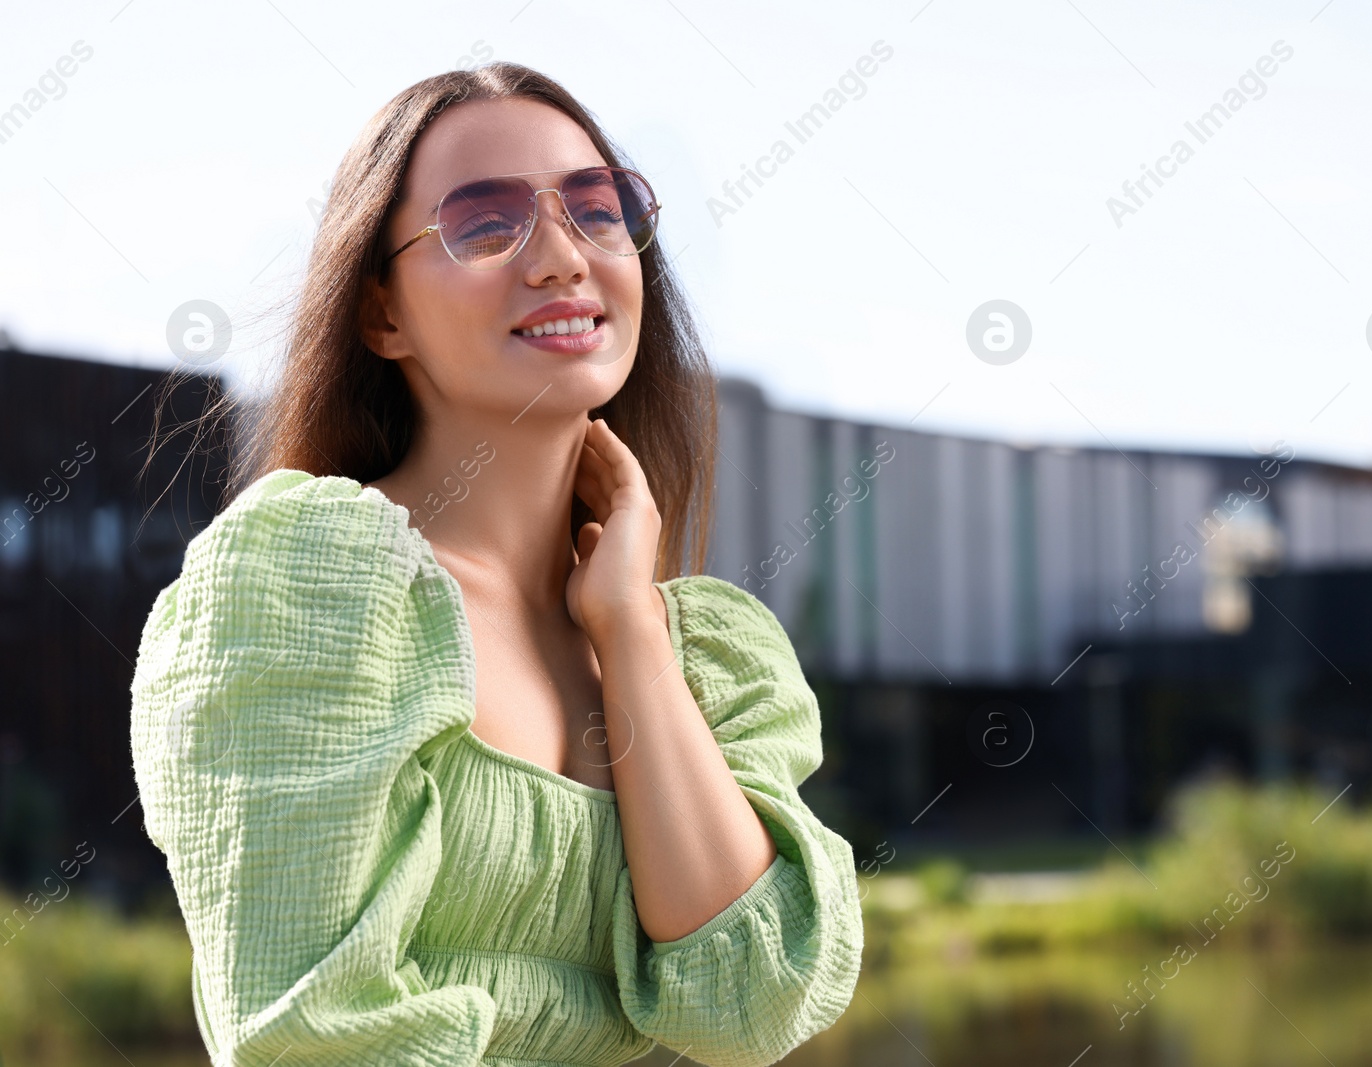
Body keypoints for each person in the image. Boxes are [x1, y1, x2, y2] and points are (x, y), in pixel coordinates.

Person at [129, 61, 862, 1067]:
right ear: (382, 312)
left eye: (599, 212)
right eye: (485, 223)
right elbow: (305, 1034)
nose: (562, 256)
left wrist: (631, 631)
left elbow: (749, 1003)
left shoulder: (702, 653)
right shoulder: (312, 583)